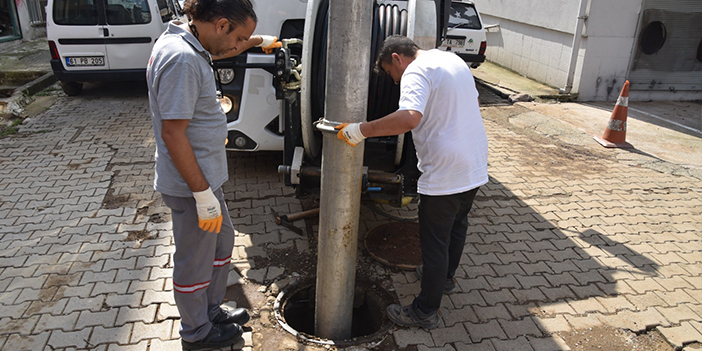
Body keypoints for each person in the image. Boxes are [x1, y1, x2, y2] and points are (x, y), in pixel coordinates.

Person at [146, 0, 281, 349]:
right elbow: (173, 134)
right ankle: (196, 333)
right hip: (193, 187)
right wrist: (203, 196)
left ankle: (210, 310)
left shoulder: (188, 40)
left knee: (221, 245)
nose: (239, 45)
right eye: (240, 36)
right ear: (221, 24)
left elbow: (216, 52)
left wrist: (257, 41)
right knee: (194, 262)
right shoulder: (182, 60)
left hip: (205, 180)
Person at [336, 35, 488, 330]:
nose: (395, 82)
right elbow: (473, 102)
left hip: (446, 170)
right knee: (457, 226)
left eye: (393, 74)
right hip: (475, 161)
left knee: (434, 243)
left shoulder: (417, 70)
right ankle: (444, 279)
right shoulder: (451, 59)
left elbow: (408, 118)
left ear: (397, 58)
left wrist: (360, 130)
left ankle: (424, 311)